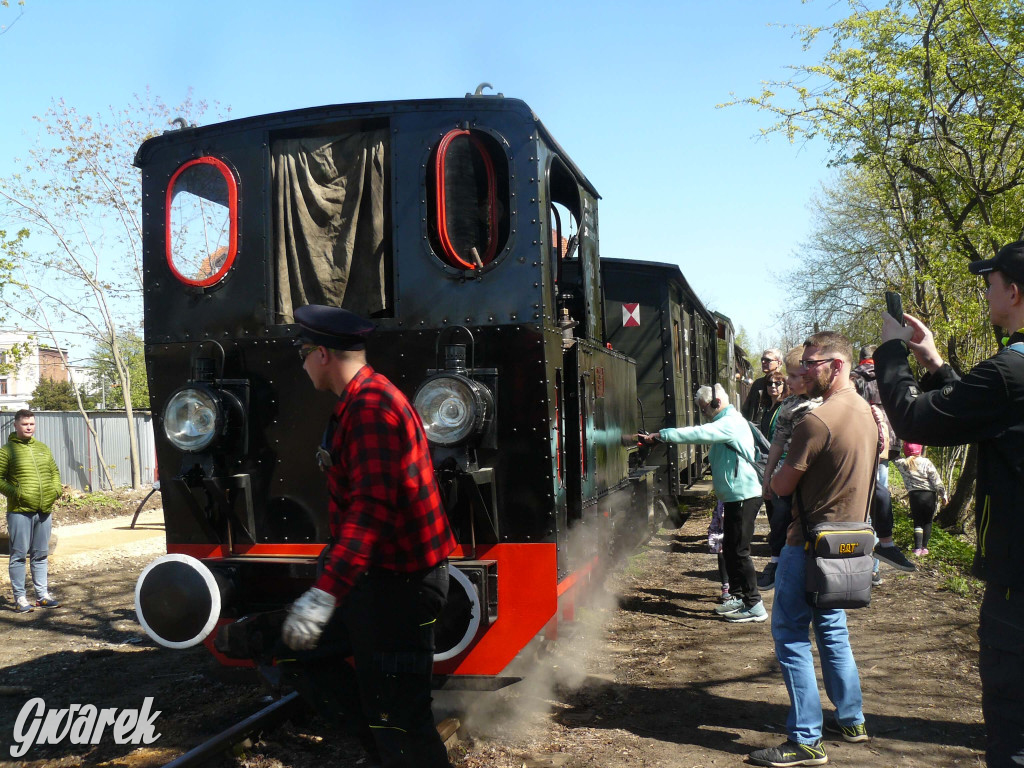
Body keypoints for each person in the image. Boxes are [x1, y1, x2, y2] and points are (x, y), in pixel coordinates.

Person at [280, 304, 457, 768]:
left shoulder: (371, 409)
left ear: (322, 354)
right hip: (381, 581)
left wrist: (324, 594)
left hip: (401, 585)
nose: (301, 365)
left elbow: (371, 511)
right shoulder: (362, 401)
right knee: (302, 658)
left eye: (302, 354)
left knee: (402, 720)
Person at [875, 239, 1024, 767]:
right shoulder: (1009, 378)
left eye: (989, 284)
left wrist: (891, 352)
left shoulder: (1009, 371)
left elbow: (916, 420)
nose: (985, 294)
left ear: (1012, 290)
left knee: (1012, 725)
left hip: (1018, 583)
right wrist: (935, 362)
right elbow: (986, 416)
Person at [749, 331, 876, 768]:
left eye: (811, 362)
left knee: (790, 636)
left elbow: (779, 487)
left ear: (835, 365)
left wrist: (775, 458)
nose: (803, 370)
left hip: (807, 546)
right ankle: (852, 719)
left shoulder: (816, 421)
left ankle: (806, 740)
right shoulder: (868, 414)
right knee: (833, 632)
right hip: (850, 546)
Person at [634, 383, 766, 623]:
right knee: (732, 549)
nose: (703, 414)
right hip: (735, 495)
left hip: (744, 495)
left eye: (704, 409)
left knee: (739, 550)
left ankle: (754, 604)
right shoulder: (728, 421)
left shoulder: (729, 423)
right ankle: (738, 597)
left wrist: (662, 435)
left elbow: (696, 433)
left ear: (716, 403)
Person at [758, 347, 822, 591]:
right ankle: (775, 563)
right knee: (779, 517)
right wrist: (767, 476)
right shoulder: (789, 405)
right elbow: (777, 442)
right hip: (788, 469)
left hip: (815, 475)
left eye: (794, 377)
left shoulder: (824, 404)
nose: (788, 381)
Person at [851, 344, 916, 574]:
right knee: (881, 496)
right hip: (888, 440)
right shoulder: (887, 377)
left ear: (861, 359)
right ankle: (875, 568)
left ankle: (862, 563)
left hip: (863, 441)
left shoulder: (853, 378)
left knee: (863, 500)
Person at [1, 409, 62, 614]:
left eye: (32, 424)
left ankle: (42, 596)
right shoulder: (7, 451)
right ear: (16, 425)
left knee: (41, 554)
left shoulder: (43, 449)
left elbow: (54, 472)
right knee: (18, 555)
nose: (29, 427)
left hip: (44, 509)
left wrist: (56, 490)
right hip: (19, 511)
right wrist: (16, 494)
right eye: (25, 424)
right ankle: (20, 598)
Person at [893, 443, 947, 555]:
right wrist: (943, 495)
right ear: (920, 450)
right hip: (929, 495)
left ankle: (917, 548)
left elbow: (894, 457)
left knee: (917, 521)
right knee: (927, 521)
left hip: (915, 496)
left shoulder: (903, 463)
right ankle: (925, 548)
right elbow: (936, 480)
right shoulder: (926, 462)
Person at [742, 348, 784, 422]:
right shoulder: (758, 383)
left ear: (779, 363)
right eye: (762, 359)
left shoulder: (785, 383)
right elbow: (747, 409)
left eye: (768, 360)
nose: (763, 362)